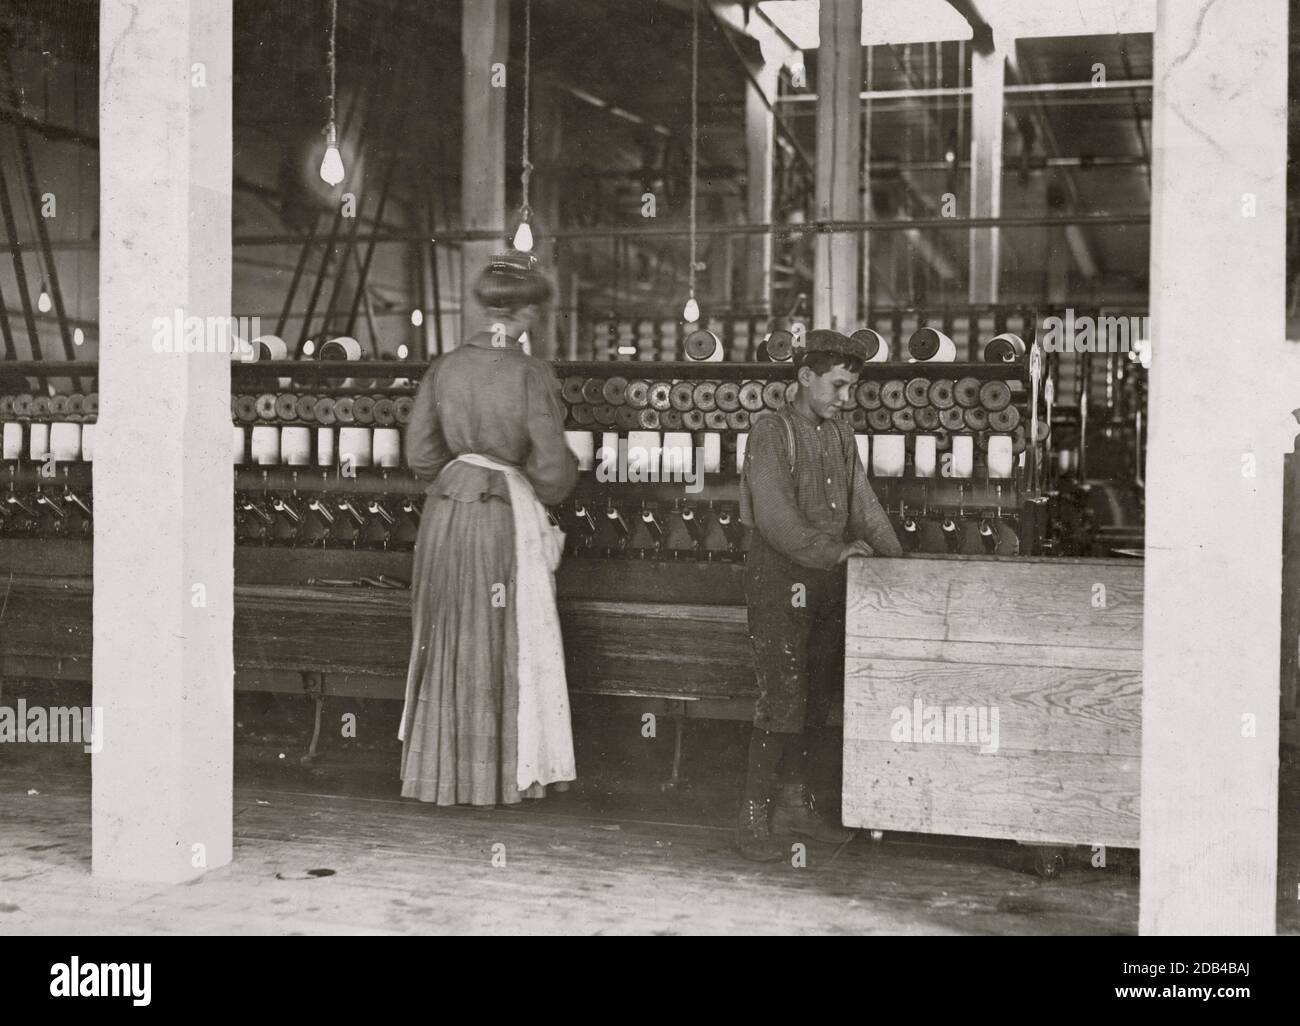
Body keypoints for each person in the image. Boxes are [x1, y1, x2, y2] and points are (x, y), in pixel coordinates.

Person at [398, 252, 579, 807]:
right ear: (526, 313)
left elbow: (420, 453)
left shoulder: (445, 367)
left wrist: (459, 474)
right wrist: (540, 492)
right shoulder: (530, 373)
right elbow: (552, 466)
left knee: (449, 632)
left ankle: (441, 776)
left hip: (446, 514)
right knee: (503, 638)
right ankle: (498, 776)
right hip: (501, 515)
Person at [735, 328, 903, 860]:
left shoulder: (839, 435)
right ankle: (753, 819)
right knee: (781, 699)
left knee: (813, 701)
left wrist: (905, 567)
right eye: (837, 386)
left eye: (851, 387)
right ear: (804, 377)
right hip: (780, 582)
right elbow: (776, 519)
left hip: (827, 584)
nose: (845, 398)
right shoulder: (771, 432)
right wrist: (835, 552)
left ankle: (795, 806)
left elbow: (866, 508)